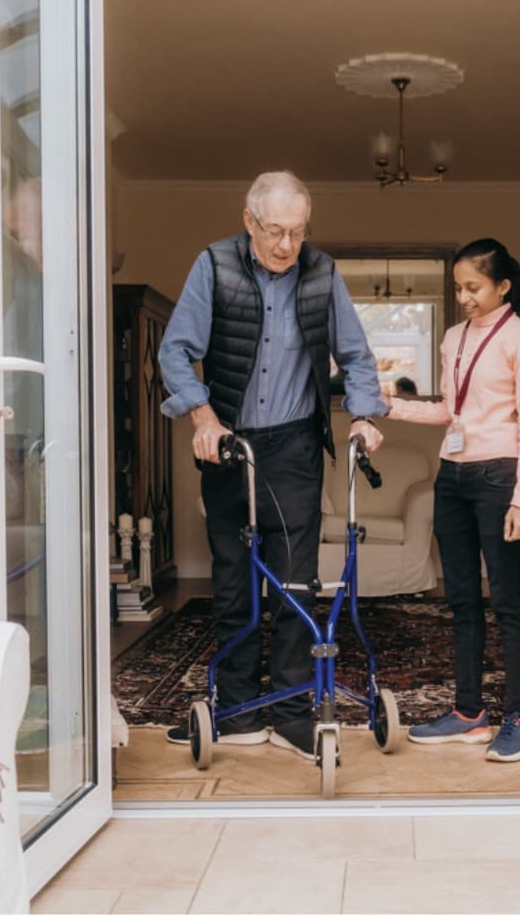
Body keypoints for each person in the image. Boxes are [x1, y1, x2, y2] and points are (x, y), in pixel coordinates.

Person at [158, 170, 387, 760]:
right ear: (249, 221)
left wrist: (363, 415)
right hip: (228, 439)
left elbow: (357, 355)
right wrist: (203, 419)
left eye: (298, 231)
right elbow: (176, 351)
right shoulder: (213, 266)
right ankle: (236, 710)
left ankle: (290, 711)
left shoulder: (323, 273)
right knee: (234, 575)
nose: (287, 245)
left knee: (293, 579)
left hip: (293, 445)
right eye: (275, 231)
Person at [385, 238, 520, 762]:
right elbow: (451, 412)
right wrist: (393, 408)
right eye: (457, 287)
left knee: (507, 599)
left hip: (499, 477)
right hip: (452, 477)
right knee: (460, 598)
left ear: (502, 286)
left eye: (473, 287)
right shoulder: (453, 338)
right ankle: (470, 712)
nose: (464, 297)